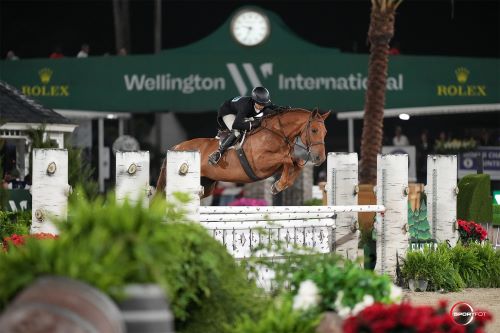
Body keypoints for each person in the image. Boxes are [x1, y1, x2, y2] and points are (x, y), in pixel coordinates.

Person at [208, 86, 281, 165]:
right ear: (254, 100)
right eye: (259, 103)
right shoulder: (246, 106)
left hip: (240, 112)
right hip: (228, 111)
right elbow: (236, 125)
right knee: (237, 131)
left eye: (263, 104)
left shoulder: (264, 102)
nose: (261, 106)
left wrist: (285, 109)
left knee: (257, 124)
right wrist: (251, 124)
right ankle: (218, 153)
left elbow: (274, 107)